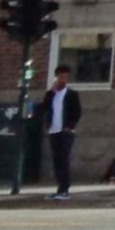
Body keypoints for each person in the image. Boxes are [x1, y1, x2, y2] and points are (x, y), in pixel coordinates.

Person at [44, 65, 82, 199]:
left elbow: (77, 112)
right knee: (56, 160)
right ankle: (59, 187)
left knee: (64, 159)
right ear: (56, 77)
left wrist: (69, 126)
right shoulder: (51, 94)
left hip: (66, 131)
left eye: (66, 77)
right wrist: (51, 92)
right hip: (53, 130)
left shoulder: (71, 94)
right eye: (61, 77)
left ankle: (64, 189)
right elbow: (43, 108)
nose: (63, 80)